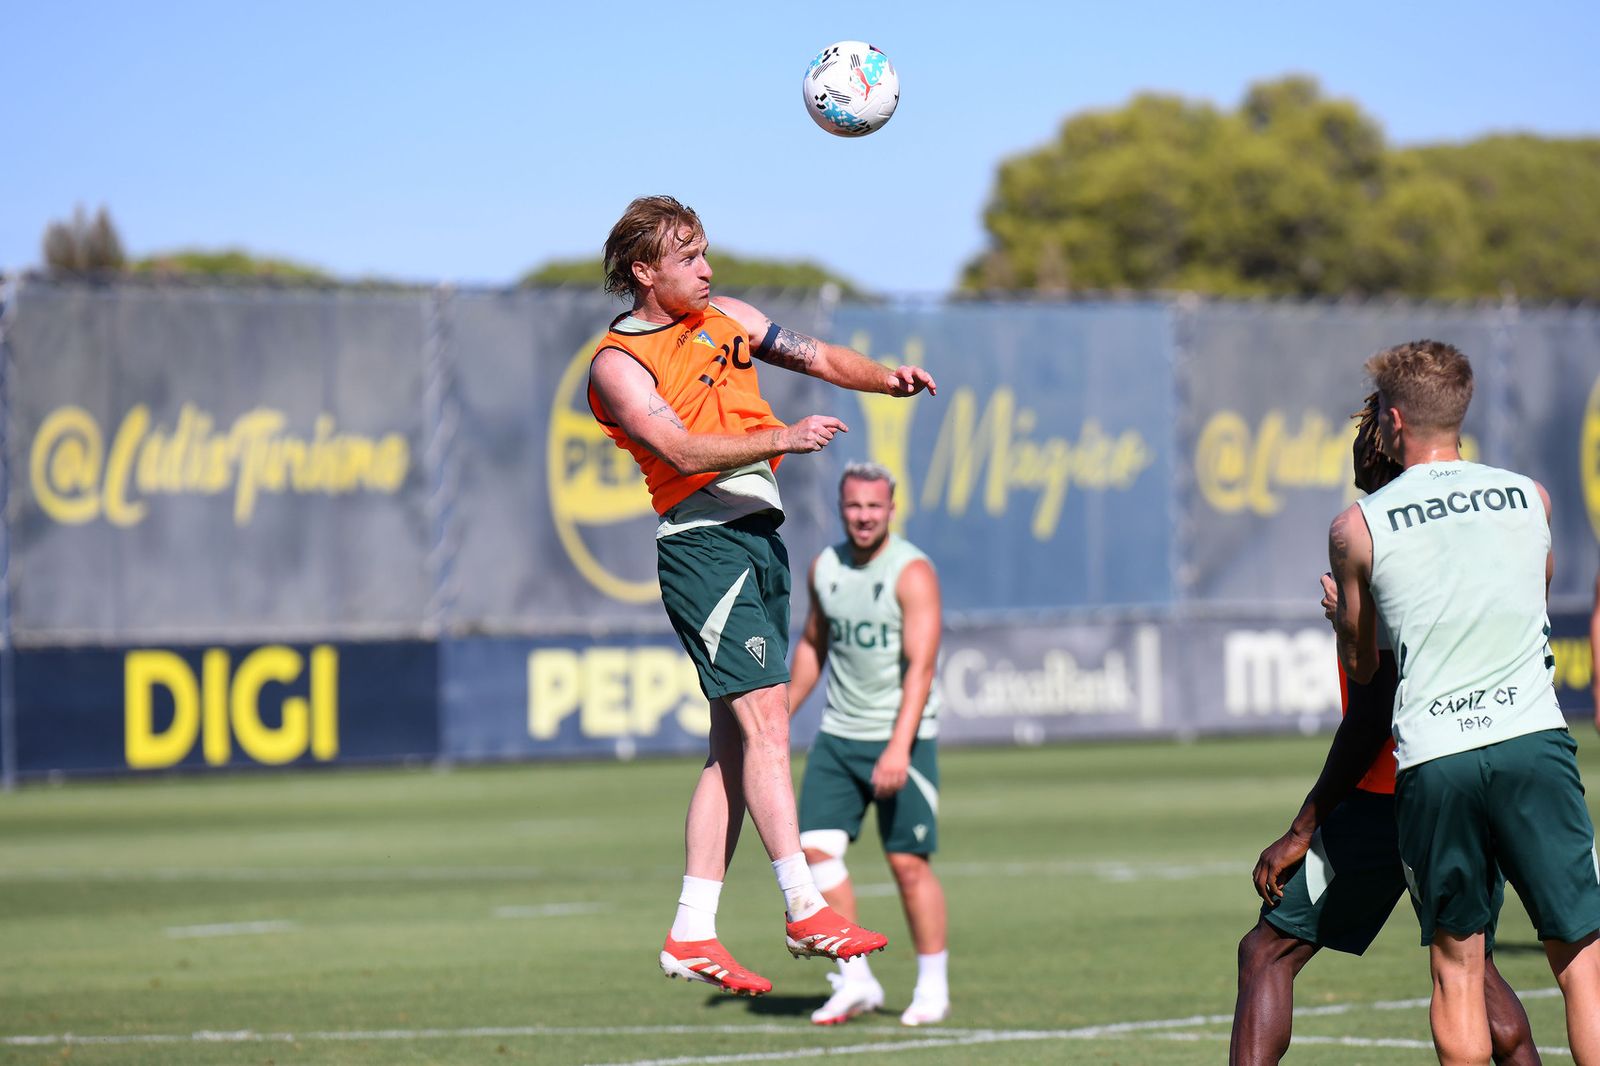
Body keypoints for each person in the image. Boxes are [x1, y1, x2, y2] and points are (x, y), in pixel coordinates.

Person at [587, 195, 936, 996]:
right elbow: (673, 445)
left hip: (756, 543)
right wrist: (782, 436)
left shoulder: (730, 317)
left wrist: (886, 381)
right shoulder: (617, 362)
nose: (707, 268)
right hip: (705, 547)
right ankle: (804, 905)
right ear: (645, 271)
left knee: (736, 746)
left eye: (706, 251)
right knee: (768, 723)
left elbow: (816, 358)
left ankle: (691, 931)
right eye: (687, 257)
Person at [1231, 393, 1538, 1065]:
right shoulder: (1461, 532)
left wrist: (1303, 826)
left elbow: (1375, 709)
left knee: (1268, 951)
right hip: (1444, 783)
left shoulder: (1377, 538)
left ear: (1379, 452)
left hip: (1403, 792)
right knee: (1474, 974)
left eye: (1362, 450)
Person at [1328, 340, 1600, 1064]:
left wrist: (1342, 620)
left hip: (1438, 757)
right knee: (1581, 962)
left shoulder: (1357, 529)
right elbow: (1530, 603)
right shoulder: (1530, 497)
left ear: (1391, 422)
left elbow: (1364, 664)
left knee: (1458, 969)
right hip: (1531, 740)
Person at [787, 463, 950, 1027]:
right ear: (841, 506)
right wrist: (777, 714)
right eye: (854, 506)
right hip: (838, 736)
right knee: (812, 854)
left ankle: (933, 985)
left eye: (874, 507)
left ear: (891, 509)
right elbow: (813, 643)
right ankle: (855, 978)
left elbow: (921, 667)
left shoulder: (912, 572)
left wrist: (899, 747)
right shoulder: (825, 568)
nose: (863, 516)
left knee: (907, 863)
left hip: (901, 734)